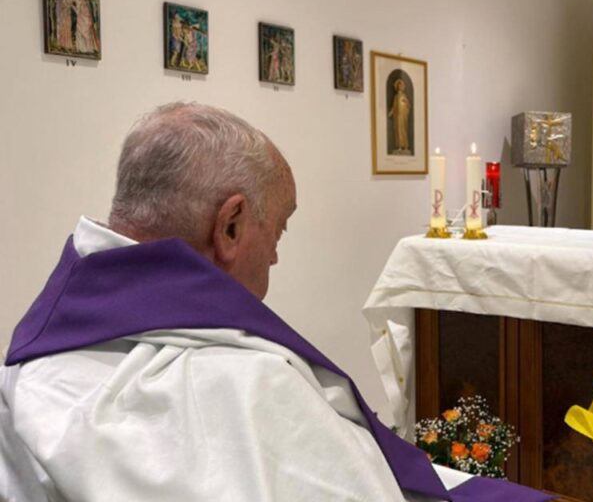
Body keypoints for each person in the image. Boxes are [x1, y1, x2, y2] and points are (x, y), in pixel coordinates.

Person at [0, 102, 549, 502]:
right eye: (279, 230)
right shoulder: (252, 385)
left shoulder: (26, 377)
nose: (278, 259)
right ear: (231, 226)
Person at [390, 77, 411, 154]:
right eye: (398, 86)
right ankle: (399, 146)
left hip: (403, 115)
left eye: (401, 85)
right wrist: (391, 113)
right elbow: (394, 106)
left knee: (403, 129)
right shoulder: (396, 97)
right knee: (397, 130)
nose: (400, 87)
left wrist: (406, 103)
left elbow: (409, 106)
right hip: (397, 116)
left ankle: (405, 146)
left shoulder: (404, 96)